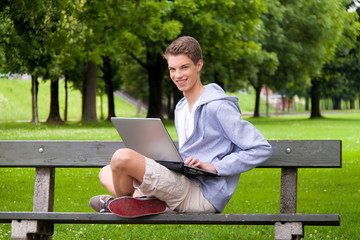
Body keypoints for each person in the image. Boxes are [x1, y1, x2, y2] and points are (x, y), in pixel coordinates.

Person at [89, 36, 272, 217]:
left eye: (184, 67)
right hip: (183, 181)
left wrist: (214, 167)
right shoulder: (181, 107)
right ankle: (139, 202)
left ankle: (129, 202)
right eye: (172, 69)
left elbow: (261, 148)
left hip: (203, 194)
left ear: (198, 65)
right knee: (106, 172)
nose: (177, 76)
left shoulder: (219, 107)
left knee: (122, 157)